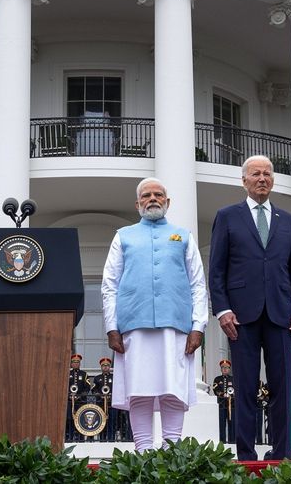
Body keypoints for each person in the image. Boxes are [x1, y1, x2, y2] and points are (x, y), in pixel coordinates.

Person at [208, 155, 291, 461]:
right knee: (246, 387)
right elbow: (216, 270)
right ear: (244, 180)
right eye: (256, 174)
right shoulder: (227, 216)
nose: (262, 178)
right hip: (241, 317)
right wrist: (222, 309)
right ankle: (247, 455)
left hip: (281, 315)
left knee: (283, 389)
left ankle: (281, 454)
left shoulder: (288, 221)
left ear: (273, 180)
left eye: (267, 174)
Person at [101, 177, 209, 452]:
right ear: (137, 203)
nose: (152, 199)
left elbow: (198, 283)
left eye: (158, 195)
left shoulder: (183, 235)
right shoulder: (123, 235)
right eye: (146, 195)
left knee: (172, 389)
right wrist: (111, 327)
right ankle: (143, 450)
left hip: (176, 326)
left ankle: (172, 450)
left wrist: (198, 326)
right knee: (139, 391)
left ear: (167, 202)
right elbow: (110, 284)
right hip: (133, 326)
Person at [66, 354, 91, 442]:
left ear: (79, 364)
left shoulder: (84, 374)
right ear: (71, 364)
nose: (76, 364)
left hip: (80, 401)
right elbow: (63, 386)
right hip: (69, 401)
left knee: (80, 419)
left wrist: (80, 396)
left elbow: (88, 387)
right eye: (74, 362)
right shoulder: (67, 373)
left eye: (77, 362)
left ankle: (80, 438)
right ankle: (69, 437)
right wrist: (69, 395)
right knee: (69, 419)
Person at [212, 360, 235, 444]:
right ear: (221, 369)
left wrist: (232, 395)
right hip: (221, 404)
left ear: (229, 369)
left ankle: (232, 440)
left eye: (227, 368)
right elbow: (215, 389)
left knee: (232, 422)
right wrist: (222, 394)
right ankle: (222, 441)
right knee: (222, 423)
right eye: (223, 367)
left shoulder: (233, 379)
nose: (225, 369)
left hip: (232, 404)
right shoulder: (217, 379)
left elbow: (236, 389)